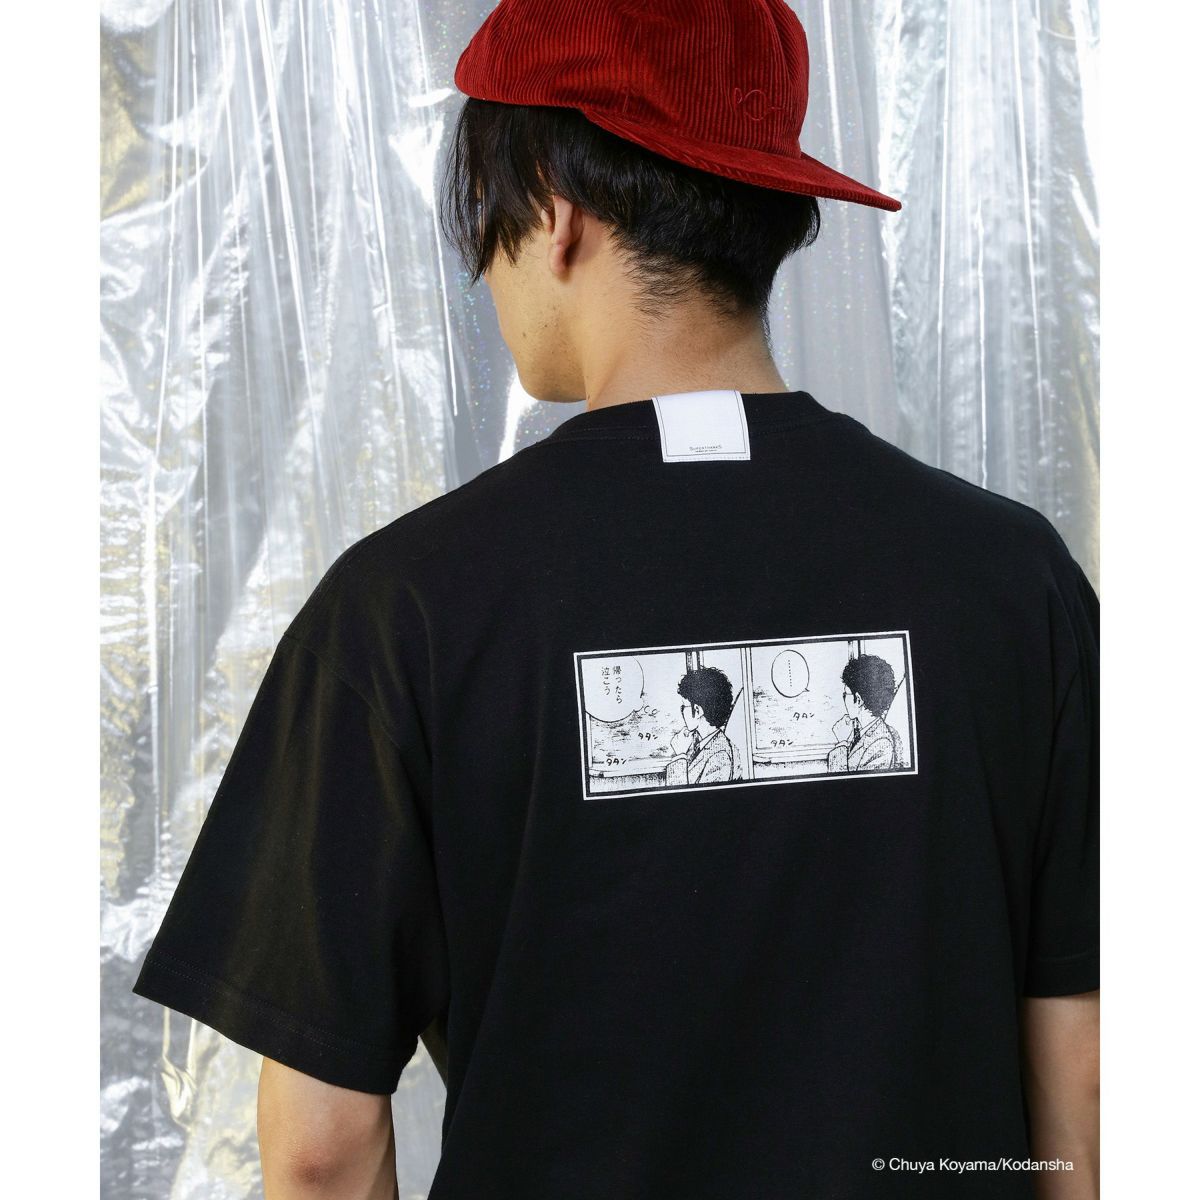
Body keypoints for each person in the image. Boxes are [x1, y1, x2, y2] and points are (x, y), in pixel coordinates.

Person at [131, 2, 1100, 1197]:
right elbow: (1086, 1080)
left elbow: (322, 1152)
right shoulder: (1013, 580)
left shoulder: (405, 611)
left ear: (553, 205)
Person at [827, 653, 906, 773]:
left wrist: (842, 744)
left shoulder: (881, 744)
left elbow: (842, 782)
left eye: (845, 694)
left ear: (858, 700)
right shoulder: (860, 732)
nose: (843, 699)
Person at [665, 665, 737, 786]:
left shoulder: (720, 756)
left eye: (684, 707)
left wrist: (680, 756)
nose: (682, 711)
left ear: (697, 710)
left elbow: (681, 796)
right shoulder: (698, 743)